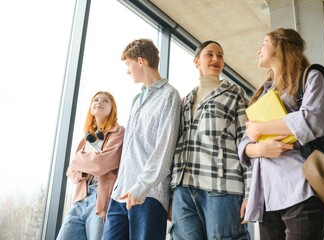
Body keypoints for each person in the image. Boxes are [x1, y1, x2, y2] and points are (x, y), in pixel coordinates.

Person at [238, 28, 324, 240]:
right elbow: (244, 144)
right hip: (268, 200)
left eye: (264, 43)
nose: (258, 51)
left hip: (301, 191)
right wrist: (260, 148)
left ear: (280, 46)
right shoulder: (263, 93)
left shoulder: (310, 78)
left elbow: (314, 119)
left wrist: (261, 129)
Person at [170, 40, 251, 240]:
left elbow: (247, 143)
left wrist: (250, 193)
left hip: (222, 187)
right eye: (210, 54)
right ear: (196, 61)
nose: (216, 59)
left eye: (220, 55)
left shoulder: (235, 95)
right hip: (184, 188)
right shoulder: (186, 100)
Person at [102, 38, 182, 240]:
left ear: (140, 61)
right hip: (120, 194)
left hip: (148, 195)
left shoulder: (169, 95)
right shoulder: (136, 100)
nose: (127, 71)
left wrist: (140, 188)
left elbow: (164, 150)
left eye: (128, 65)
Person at [57, 91, 125, 240]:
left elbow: (100, 164)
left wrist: (82, 161)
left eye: (105, 101)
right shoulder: (87, 137)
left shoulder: (118, 132)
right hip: (80, 198)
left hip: (99, 199)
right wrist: (85, 166)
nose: (99, 102)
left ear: (112, 108)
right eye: (96, 100)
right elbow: (71, 170)